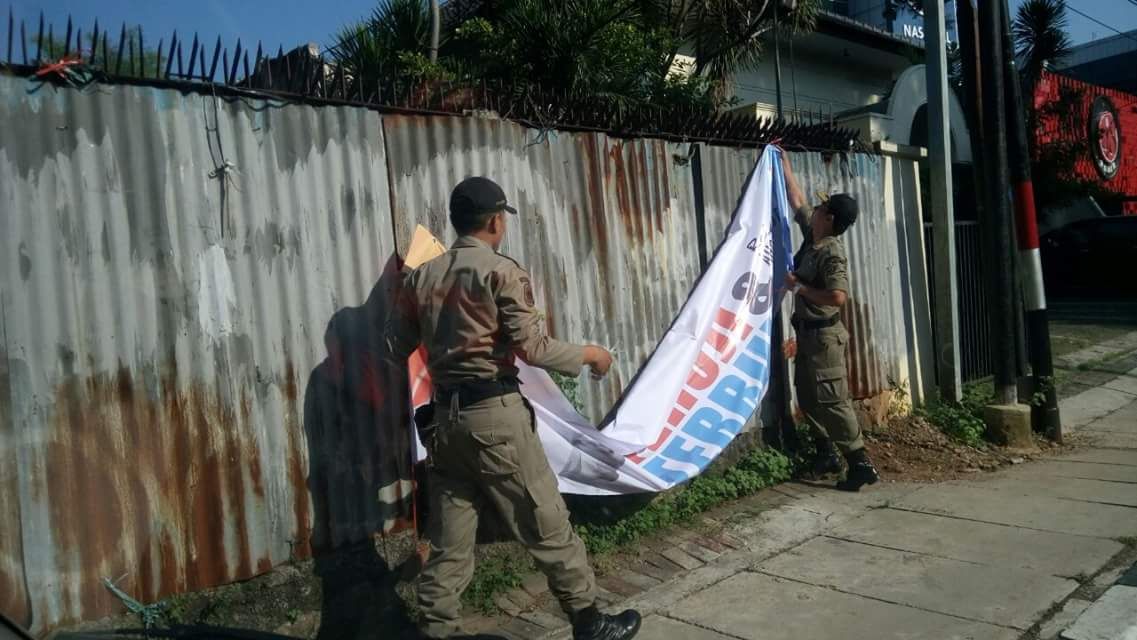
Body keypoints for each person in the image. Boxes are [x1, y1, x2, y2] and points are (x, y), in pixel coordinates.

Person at [386, 176, 642, 640]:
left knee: (449, 543)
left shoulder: (420, 277)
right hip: (496, 420)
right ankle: (589, 622)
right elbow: (534, 349)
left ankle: (434, 632)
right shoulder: (502, 272)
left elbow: (394, 345)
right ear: (495, 221)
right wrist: (591, 354)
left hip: (445, 424)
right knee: (546, 522)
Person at [780, 154, 880, 492]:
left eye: (822, 208)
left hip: (825, 339)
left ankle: (860, 463)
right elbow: (798, 201)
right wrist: (785, 166)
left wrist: (802, 288)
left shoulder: (831, 252)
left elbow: (838, 296)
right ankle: (826, 454)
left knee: (834, 401)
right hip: (807, 336)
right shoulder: (813, 234)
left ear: (830, 217)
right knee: (808, 399)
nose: (816, 210)